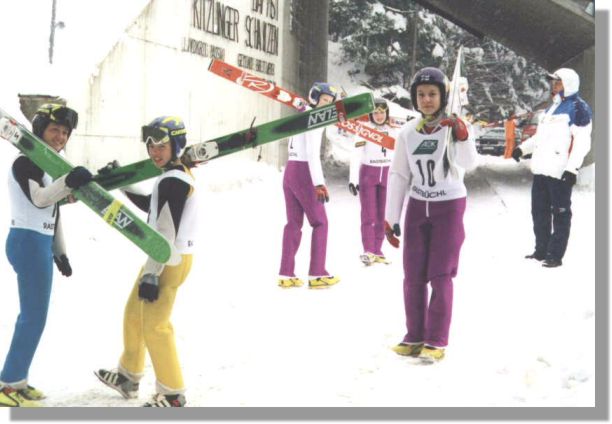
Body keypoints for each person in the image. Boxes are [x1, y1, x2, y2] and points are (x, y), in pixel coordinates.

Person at [95, 116, 197, 407]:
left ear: (176, 145)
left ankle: (173, 393)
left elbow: (164, 232)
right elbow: (152, 208)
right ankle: (129, 376)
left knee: (155, 324)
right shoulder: (173, 175)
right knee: (133, 313)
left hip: (167, 259)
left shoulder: (173, 182)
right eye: (151, 145)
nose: (155, 151)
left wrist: (152, 274)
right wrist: (123, 185)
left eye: (162, 145)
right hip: (163, 256)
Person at [0, 104, 92, 407]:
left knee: (34, 317)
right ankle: (7, 385)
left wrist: (59, 251)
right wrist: (68, 182)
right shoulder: (25, 162)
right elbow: (40, 200)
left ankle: (18, 379)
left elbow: (53, 212)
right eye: (55, 130)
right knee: (32, 317)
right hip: (26, 241)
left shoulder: (48, 166)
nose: (60, 137)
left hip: (38, 242)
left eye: (65, 133)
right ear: (40, 129)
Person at [384, 67, 478, 363]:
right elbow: (399, 174)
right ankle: (414, 335)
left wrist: (462, 134)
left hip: (448, 207)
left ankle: (436, 340)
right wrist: (391, 218)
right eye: (421, 95)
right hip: (417, 207)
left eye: (432, 94)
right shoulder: (408, 132)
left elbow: (469, 164)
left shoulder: (454, 128)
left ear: (443, 97)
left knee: (440, 274)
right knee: (413, 275)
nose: (427, 100)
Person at [511, 68, 592, 268]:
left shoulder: (579, 108)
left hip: (560, 172)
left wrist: (572, 169)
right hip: (541, 170)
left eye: (558, 82)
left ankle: (555, 255)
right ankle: (541, 250)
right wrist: (522, 149)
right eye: (553, 82)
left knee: (561, 214)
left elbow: (582, 142)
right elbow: (541, 137)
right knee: (539, 212)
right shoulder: (551, 108)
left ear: (569, 83)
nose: (554, 85)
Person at [278, 82, 340, 289]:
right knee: (320, 222)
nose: (326, 106)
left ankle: (286, 273)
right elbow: (313, 154)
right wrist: (319, 184)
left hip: (290, 170)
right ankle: (317, 273)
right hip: (304, 171)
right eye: (323, 100)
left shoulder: (302, 113)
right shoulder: (315, 120)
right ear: (314, 98)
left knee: (293, 224)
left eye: (330, 102)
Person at [348, 98, 399, 265]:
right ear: (371, 114)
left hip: (387, 174)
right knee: (368, 214)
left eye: (382, 112)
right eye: (376, 112)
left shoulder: (393, 130)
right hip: (369, 173)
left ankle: (378, 250)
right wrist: (353, 179)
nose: (379, 116)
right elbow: (356, 153)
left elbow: (400, 154)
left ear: (387, 113)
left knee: (382, 215)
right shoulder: (364, 129)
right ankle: (368, 250)